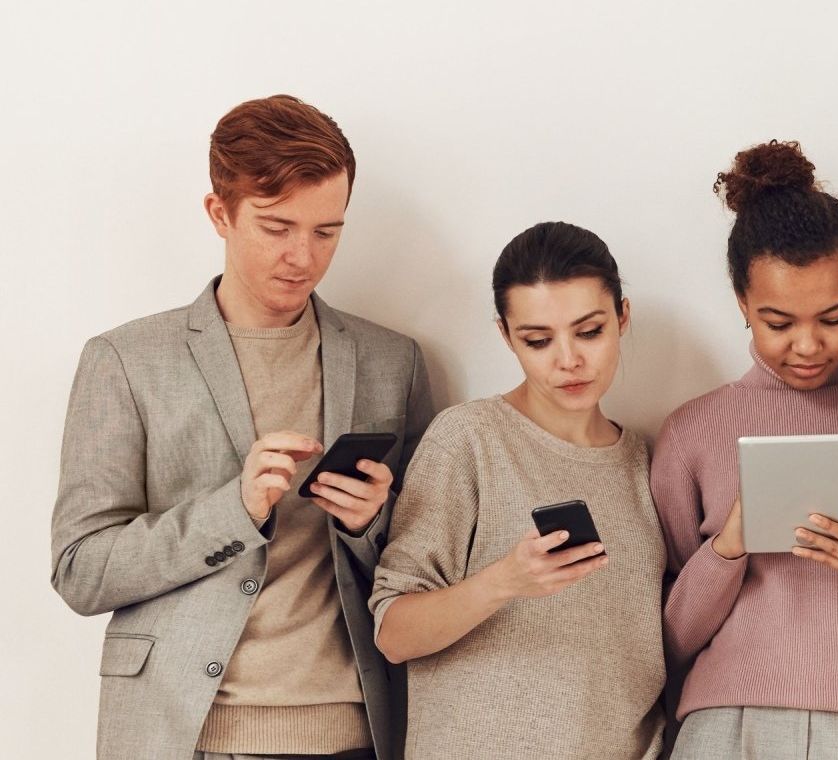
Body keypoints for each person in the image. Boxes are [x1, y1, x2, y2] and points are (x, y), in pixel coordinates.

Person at [49, 94, 430, 759]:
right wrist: (235, 510)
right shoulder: (124, 361)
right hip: (187, 735)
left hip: (356, 734)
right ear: (219, 214)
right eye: (276, 226)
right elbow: (81, 570)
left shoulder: (390, 361)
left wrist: (372, 521)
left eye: (326, 231)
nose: (302, 256)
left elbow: (427, 558)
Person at [653, 139, 838, 759]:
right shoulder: (691, 432)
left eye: (832, 318)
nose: (807, 345)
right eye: (779, 322)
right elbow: (669, 638)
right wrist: (729, 547)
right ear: (743, 306)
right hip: (725, 720)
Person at [369, 222, 667, 758]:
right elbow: (394, 633)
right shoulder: (469, 438)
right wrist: (503, 582)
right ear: (507, 336)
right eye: (538, 340)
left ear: (622, 318)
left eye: (590, 331)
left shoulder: (645, 463)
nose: (569, 359)